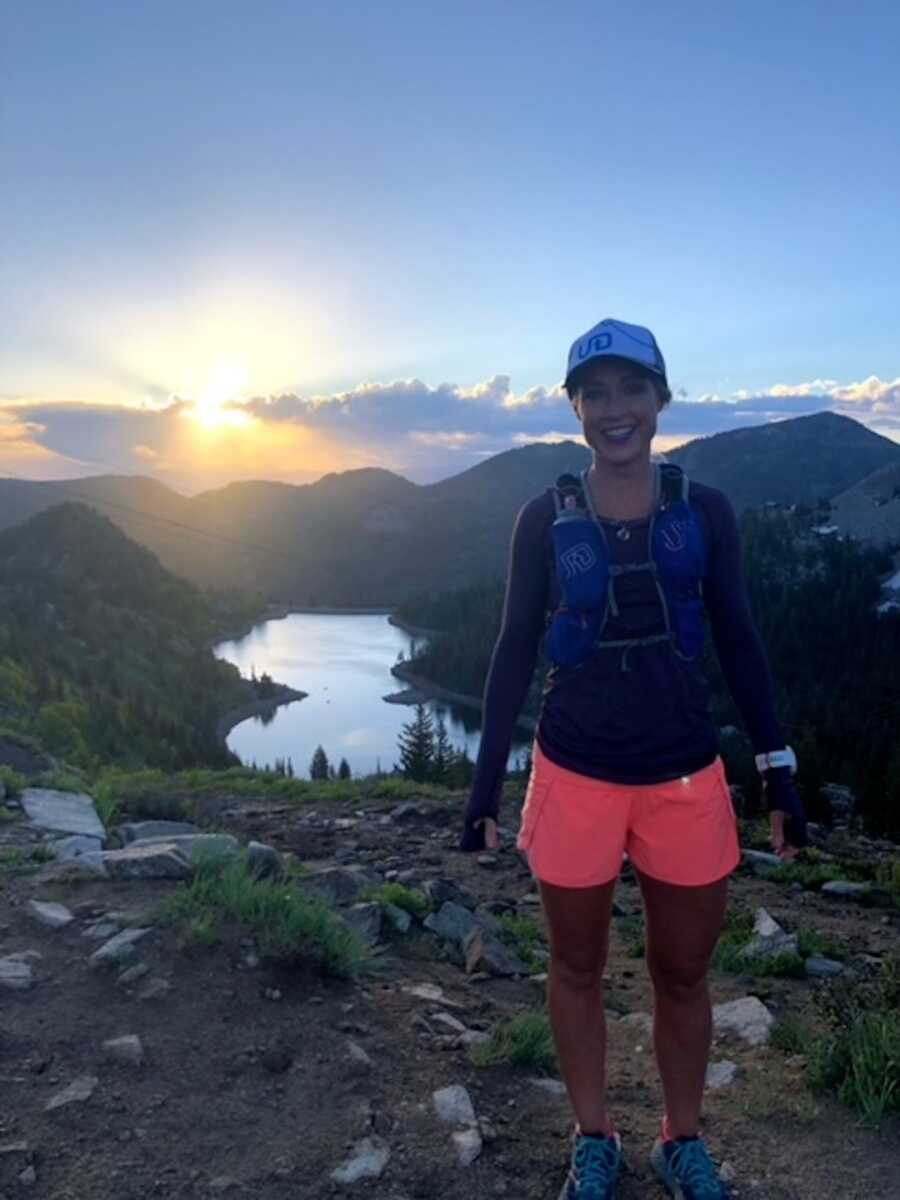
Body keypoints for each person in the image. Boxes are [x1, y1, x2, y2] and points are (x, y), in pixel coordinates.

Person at [460, 318, 807, 1200]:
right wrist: (484, 782)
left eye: (631, 390)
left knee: (683, 973)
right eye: (595, 394)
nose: (615, 410)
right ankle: (593, 1137)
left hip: (685, 775)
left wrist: (778, 767)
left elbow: (739, 638)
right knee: (574, 967)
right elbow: (511, 650)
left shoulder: (706, 510)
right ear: (576, 409)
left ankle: (678, 1140)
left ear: (661, 397)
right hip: (574, 772)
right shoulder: (544, 516)